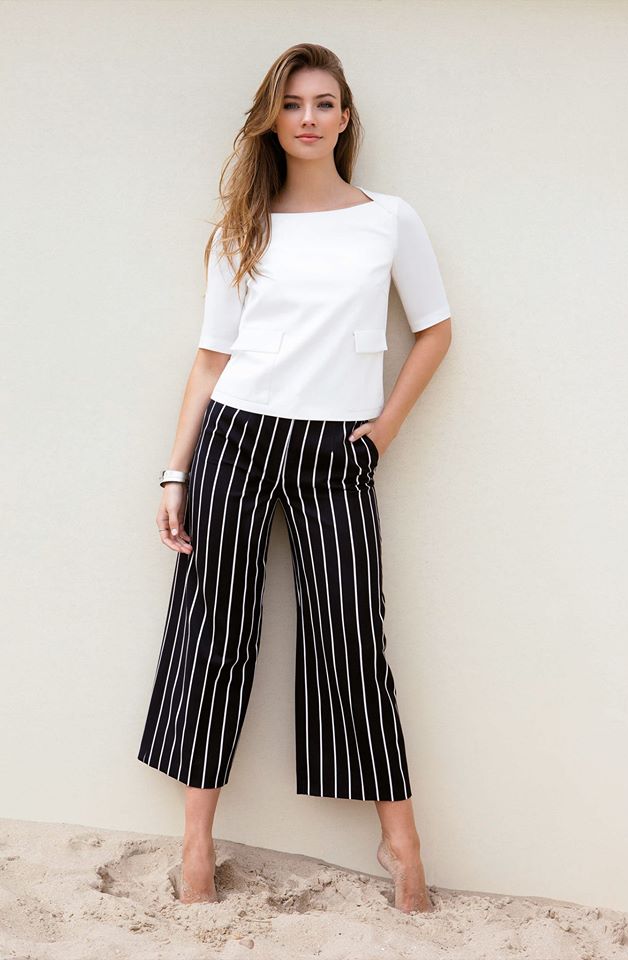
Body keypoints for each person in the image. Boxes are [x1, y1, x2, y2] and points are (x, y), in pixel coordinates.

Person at [137, 42, 452, 915]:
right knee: (216, 631)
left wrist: (381, 434)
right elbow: (211, 359)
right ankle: (196, 844)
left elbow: (435, 330)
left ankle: (401, 843)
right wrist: (174, 473)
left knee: (352, 636)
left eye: (323, 103)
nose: (308, 118)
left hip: (337, 453)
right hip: (236, 439)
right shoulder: (245, 226)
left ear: (346, 118)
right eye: (292, 104)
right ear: (272, 120)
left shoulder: (390, 220)